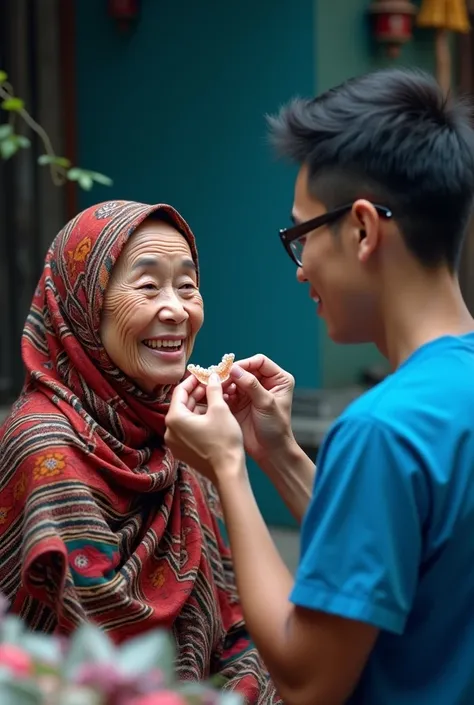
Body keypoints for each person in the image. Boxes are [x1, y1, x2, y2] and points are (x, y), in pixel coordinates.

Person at [164, 68, 474, 705]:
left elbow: (307, 680)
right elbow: (392, 554)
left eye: (301, 235)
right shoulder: (440, 402)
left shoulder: (381, 431)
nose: (301, 267)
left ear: (362, 229)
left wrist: (228, 468)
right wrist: (277, 454)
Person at [0, 200, 281, 703]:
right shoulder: (45, 443)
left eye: (188, 286)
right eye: (148, 286)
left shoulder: (181, 426)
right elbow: (103, 652)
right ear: (85, 306)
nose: (176, 309)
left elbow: (240, 610)